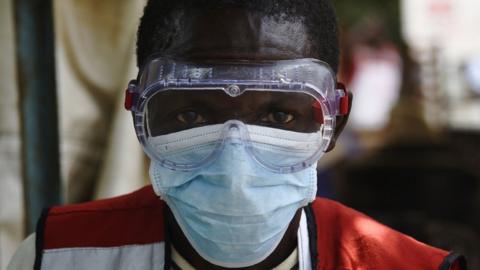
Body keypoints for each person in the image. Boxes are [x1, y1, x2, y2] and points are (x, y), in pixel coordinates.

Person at [8, 0, 467, 269]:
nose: (235, 160)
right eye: (190, 115)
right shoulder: (59, 257)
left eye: (280, 117)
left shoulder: (403, 266)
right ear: (139, 116)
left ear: (334, 125)